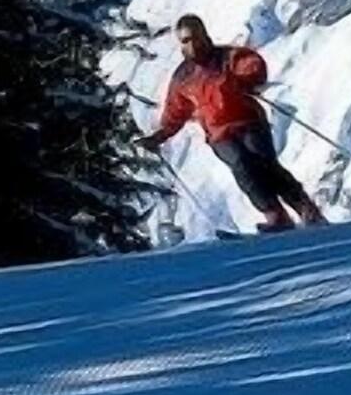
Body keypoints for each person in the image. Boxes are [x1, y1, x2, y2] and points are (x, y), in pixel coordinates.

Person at [138, 14, 326, 232]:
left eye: (195, 37)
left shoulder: (227, 57)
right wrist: (158, 137)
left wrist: (245, 79)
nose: (192, 44)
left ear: (204, 35)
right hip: (219, 134)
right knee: (241, 166)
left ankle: (305, 208)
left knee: (265, 163)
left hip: (248, 121)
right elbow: (175, 112)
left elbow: (252, 64)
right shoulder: (183, 76)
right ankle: (275, 214)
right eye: (185, 40)